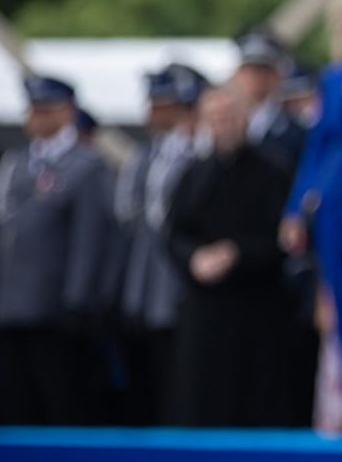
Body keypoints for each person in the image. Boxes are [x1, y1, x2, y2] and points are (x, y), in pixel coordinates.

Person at [167, 88, 312, 427]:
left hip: (259, 312)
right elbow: (174, 234)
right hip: (205, 311)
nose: (222, 126)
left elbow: (285, 238)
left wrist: (237, 254)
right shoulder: (193, 173)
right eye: (215, 119)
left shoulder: (275, 170)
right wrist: (195, 259)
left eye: (229, 117)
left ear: (245, 118)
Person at [0, 76, 115, 425]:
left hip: (55, 308)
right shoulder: (17, 162)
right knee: (17, 405)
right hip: (12, 305)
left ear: (66, 112)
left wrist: (77, 298)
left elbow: (90, 239)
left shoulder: (86, 165)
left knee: (59, 405)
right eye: (33, 110)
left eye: (45, 110)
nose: (36, 118)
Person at [279, 0, 342, 414]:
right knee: (341, 306)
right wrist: (295, 210)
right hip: (332, 205)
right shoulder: (331, 79)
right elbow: (316, 148)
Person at [114, 63, 208, 424]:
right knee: (151, 380)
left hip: (183, 285)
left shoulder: (201, 155)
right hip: (149, 286)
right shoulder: (146, 156)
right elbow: (131, 219)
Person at [233, 28, 307, 176]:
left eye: (262, 70)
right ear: (239, 74)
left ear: (277, 74)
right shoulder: (228, 121)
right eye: (249, 69)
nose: (254, 77)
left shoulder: (293, 129)